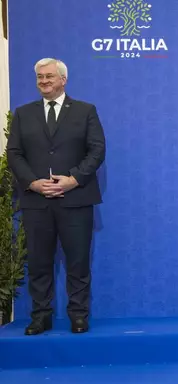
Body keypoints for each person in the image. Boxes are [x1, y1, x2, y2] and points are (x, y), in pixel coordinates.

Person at [7, 58, 106, 335]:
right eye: (40, 77)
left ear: (63, 79)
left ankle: (78, 315)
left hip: (76, 200)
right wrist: (32, 183)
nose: (44, 81)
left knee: (78, 262)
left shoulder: (86, 111)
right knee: (39, 262)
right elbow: (14, 153)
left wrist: (73, 180)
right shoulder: (24, 113)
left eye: (49, 76)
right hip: (36, 201)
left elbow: (97, 150)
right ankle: (41, 315)